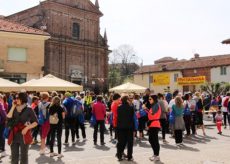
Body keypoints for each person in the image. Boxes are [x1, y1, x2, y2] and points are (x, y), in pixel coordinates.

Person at [7, 92, 38, 164]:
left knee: (24, 157)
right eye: (15, 98)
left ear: (23, 99)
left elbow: (36, 122)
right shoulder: (14, 108)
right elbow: (8, 117)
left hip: (24, 135)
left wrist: (27, 128)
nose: (15, 100)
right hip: (14, 134)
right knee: (14, 157)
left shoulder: (29, 109)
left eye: (17, 98)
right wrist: (13, 107)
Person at [116, 95, 135, 161]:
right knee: (130, 143)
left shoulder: (119, 107)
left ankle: (119, 155)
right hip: (129, 127)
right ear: (127, 100)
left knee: (121, 142)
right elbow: (132, 117)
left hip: (120, 127)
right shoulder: (131, 107)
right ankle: (129, 156)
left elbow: (118, 117)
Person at [146, 94, 161, 162]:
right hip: (152, 124)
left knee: (154, 140)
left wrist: (145, 109)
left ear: (154, 99)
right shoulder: (154, 105)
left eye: (150, 99)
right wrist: (146, 109)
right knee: (151, 140)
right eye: (149, 99)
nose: (149, 100)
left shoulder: (156, 105)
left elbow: (152, 115)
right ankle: (155, 154)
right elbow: (150, 114)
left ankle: (157, 155)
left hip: (155, 124)